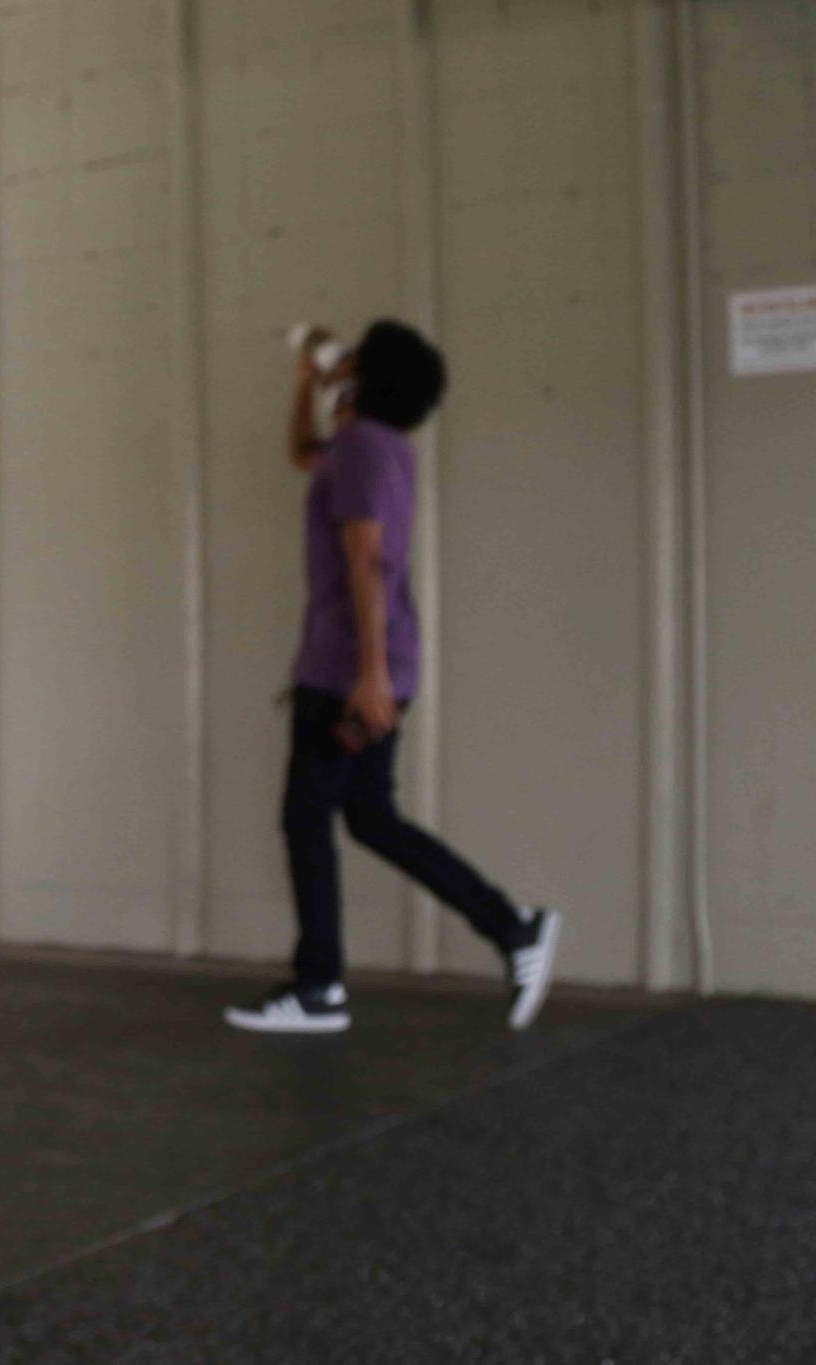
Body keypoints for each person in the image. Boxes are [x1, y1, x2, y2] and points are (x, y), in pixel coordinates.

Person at [225, 320, 561, 1035]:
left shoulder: (359, 447)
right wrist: (303, 386)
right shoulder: (376, 447)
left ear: (370, 374)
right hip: (362, 662)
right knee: (369, 814)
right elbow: (298, 451)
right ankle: (513, 925)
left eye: (353, 358)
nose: (339, 361)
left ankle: (320, 987)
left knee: (306, 814)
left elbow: (366, 559)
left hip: (348, 669)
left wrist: (369, 675)